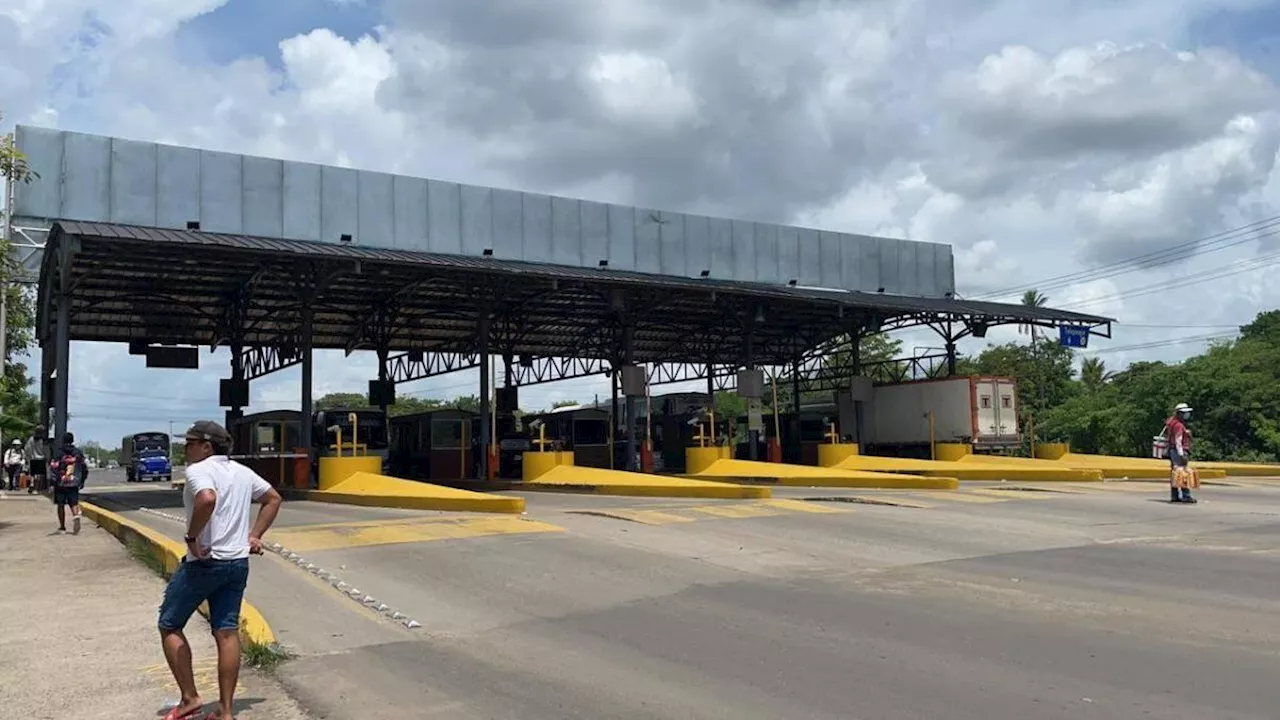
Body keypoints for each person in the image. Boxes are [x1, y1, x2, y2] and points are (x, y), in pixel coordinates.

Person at [158, 420, 282, 720]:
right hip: (237, 564)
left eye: (189, 443)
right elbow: (273, 498)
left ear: (206, 446)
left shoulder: (199, 471)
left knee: (170, 625)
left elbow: (207, 499)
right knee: (226, 633)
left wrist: (192, 537)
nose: (184, 448)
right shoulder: (242, 471)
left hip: (204, 563)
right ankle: (225, 711)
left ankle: (189, 698)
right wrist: (254, 536)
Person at [48, 431, 88, 533]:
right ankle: (76, 516)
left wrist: (52, 482)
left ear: (63, 441)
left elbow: (53, 467)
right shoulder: (78, 453)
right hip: (73, 482)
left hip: (60, 483)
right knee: (73, 503)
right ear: (72, 440)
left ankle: (62, 527)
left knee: (60, 505)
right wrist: (82, 480)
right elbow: (84, 468)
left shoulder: (59, 453)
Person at [1165, 402, 1197, 504]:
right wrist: (1182, 454)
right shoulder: (1179, 425)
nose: (1186, 415)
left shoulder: (1171, 422)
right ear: (1179, 414)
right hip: (1179, 450)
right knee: (1183, 474)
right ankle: (1186, 496)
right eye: (1184, 413)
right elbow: (1178, 441)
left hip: (1172, 450)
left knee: (1175, 474)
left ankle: (1174, 495)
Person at [24, 425, 48, 495]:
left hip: (32, 459)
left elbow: (26, 448)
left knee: (32, 474)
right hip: (40, 459)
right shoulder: (43, 440)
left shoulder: (31, 439)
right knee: (38, 475)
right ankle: (35, 489)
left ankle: (31, 483)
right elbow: (46, 451)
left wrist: (28, 457)